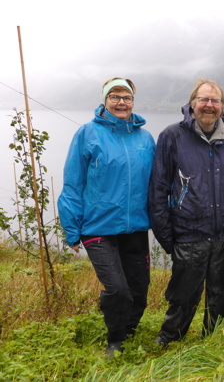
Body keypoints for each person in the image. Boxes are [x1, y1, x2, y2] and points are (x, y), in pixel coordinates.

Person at [149, 78, 224, 346]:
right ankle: (169, 342)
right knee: (183, 295)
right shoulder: (172, 136)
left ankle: (215, 343)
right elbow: (158, 190)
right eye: (204, 100)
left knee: (222, 296)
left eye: (215, 100)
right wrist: (167, 237)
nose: (209, 105)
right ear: (192, 103)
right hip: (188, 232)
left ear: (222, 106)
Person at [58, 77, 156, 356]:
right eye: (115, 96)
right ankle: (115, 339)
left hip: (136, 226)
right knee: (117, 289)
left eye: (126, 97)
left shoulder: (145, 138)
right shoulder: (87, 133)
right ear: (105, 101)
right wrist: (71, 227)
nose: (121, 102)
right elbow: (73, 182)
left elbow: (157, 184)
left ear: (133, 102)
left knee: (139, 290)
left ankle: (130, 331)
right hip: (97, 227)